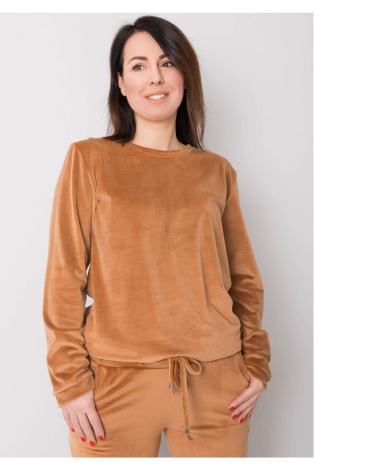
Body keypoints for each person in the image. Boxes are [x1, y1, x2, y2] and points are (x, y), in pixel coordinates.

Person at [42, 15, 271, 458]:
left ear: (185, 75)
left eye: (167, 63)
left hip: (217, 383)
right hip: (114, 385)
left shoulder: (216, 171)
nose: (155, 77)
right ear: (121, 83)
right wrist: (70, 382)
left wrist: (256, 364)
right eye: (139, 66)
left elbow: (244, 279)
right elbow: (63, 276)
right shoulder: (90, 160)